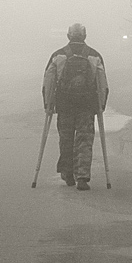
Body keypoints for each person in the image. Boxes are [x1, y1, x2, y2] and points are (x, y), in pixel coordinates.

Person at [42, 23, 108, 191]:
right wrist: (100, 105)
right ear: (84, 36)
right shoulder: (94, 56)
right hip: (86, 105)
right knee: (84, 140)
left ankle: (67, 173)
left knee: (66, 138)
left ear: (68, 36)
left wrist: (49, 104)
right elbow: (102, 84)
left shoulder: (58, 56)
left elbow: (49, 82)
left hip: (65, 105)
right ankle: (83, 177)